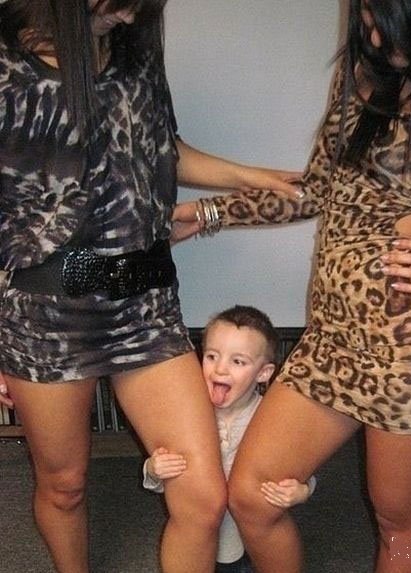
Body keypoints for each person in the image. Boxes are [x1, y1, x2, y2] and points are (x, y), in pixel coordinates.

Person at [173, 1, 411, 572]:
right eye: (366, 17)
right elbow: (318, 191)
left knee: (405, 531)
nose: (372, 35)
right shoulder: (363, 76)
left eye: (388, 22)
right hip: (332, 342)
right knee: (252, 495)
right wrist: (208, 213)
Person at [0, 2, 300, 573]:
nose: (127, 16)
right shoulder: (7, 65)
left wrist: (252, 176)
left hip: (145, 301)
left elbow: (161, 146)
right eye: (115, 4)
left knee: (204, 496)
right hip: (46, 309)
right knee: (64, 485)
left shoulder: (133, 51)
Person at [142, 304, 317, 573]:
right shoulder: (187, 416)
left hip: (249, 544)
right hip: (199, 542)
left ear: (263, 373)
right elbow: (171, 483)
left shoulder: (270, 417)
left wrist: (302, 491)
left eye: (238, 362)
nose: (220, 370)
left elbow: (299, 466)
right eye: (212, 356)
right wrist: (154, 470)